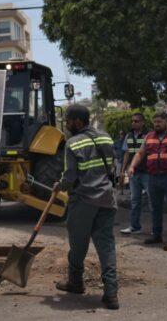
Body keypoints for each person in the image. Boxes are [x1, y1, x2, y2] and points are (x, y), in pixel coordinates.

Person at [56, 104, 119, 310]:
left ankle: (75, 282)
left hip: (83, 201)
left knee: (78, 244)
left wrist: (60, 186)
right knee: (106, 246)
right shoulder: (106, 138)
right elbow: (111, 167)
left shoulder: (72, 143)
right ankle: (111, 294)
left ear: (77, 122)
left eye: (68, 121)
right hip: (107, 200)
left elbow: (71, 175)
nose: (66, 125)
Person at [128, 111, 167, 245]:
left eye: (159, 121)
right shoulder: (149, 137)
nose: (157, 124)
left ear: (166, 121)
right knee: (155, 208)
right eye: (155, 122)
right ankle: (157, 235)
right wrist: (132, 166)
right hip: (153, 177)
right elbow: (140, 153)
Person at [119, 113, 152, 234]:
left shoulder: (149, 135)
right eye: (132, 121)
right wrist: (122, 171)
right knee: (135, 201)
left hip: (147, 172)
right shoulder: (129, 136)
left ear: (143, 122)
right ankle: (134, 227)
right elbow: (127, 153)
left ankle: (156, 229)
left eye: (136, 121)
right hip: (134, 173)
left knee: (152, 200)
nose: (133, 123)